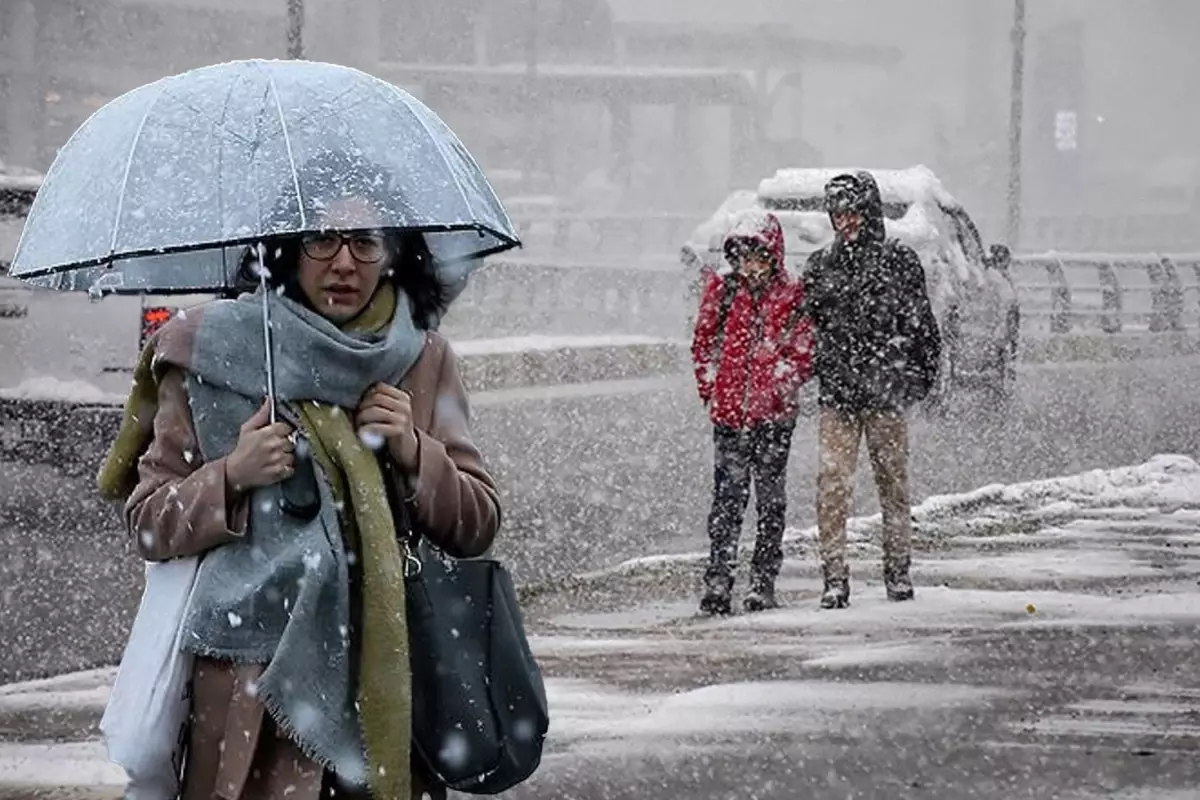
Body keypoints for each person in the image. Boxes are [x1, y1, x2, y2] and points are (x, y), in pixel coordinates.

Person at [98, 170, 500, 799]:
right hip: (247, 690)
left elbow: (477, 524)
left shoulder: (421, 359)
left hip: (384, 682)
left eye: (365, 241)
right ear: (285, 247)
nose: (344, 262)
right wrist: (231, 475)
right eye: (322, 240)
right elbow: (149, 522)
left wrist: (413, 450)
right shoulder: (208, 351)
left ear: (394, 251)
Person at [801, 170, 941, 609]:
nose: (846, 221)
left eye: (853, 211)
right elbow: (808, 329)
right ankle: (835, 577)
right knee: (833, 485)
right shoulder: (820, 266)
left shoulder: (899, 261)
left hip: (884, 394)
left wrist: (914, 382)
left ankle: (897, 571)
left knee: (892, 485)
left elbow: (922, 327)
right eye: (838, 213)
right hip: (839, 395)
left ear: (869, 212)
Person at [691, 210, 812, 615]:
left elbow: (802, 351)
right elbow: (703, 342)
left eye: (758, 257)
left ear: (773, 255)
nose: (751, 266)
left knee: (770, 501)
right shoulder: (725, 292)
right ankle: (719, 578)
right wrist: (712, 385)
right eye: (743, 257)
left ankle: (763, 579)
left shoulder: (792, 295)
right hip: (729, 417)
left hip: (773, 419)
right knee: (726, 501)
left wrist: (778, 387)